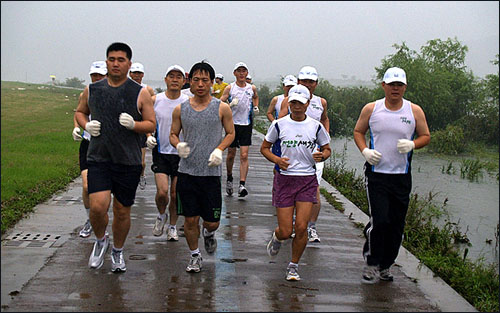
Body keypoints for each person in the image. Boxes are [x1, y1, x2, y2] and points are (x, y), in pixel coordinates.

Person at [75, 42, 156, 273]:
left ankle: (118, 251)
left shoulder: (139, 92)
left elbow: (151, 123)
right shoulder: (93, 89)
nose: (116, 63)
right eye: (112, 59)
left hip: (127, 160)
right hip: (99, 157)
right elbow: (80, 112)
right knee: (98, 207)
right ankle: (101, 241)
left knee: (122, 210)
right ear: (106, 61)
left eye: (121, 60)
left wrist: (135, 125)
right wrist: (86, 125)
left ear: (129, 64)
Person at [353, 67, 430, 284]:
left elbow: (426, 136)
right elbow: (358, 131)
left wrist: (413, 143)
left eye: (399, 85)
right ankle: (372, 263)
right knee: (380, 220)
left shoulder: (414, 111)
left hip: (401, 175)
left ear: (405, 87)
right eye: (391, 84)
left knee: (396, 224)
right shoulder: (372, 109)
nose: (395, 89)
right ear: (384, 86)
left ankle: (386, 265)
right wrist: (365, 151)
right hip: (377, 174)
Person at [261, 84, 331, 281]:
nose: (297, 106)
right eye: (293, 103)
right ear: (288, 103)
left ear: (308, 104)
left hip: (307, 179)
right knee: (286, 230)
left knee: (301, 227)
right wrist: (277, 160)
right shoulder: (279, 125)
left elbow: (327, 149)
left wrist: (322, 156)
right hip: (284, 180)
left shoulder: (315, 126)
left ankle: (293, 266)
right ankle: (277, 238)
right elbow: (264, 148)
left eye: (301, 103)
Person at [170, 61, 235, 273]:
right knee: (190, 220)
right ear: (190, 82)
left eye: (205, 80)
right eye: (196, 80)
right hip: (187, 172)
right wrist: (177, 144)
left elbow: (231, 133)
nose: (200, 84)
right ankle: (195, 255)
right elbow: (173, 133)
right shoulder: (181, 109)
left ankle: (208, 233)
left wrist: (219, 149)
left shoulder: (222, 108)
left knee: (211, 222)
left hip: (211, 174)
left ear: (211, 83)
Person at [279, 66, 329, 243]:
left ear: (316, 83)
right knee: (294, 192)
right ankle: (295, 224)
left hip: (314, 154)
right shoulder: (289, 101)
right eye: (304, 81)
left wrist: (323, 143)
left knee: (315, 191)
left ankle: (311, 227)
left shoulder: (321, 102)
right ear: (299, 82)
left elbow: (324, 119)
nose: (308, 85)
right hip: (293, 153)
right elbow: (280, 124)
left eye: (311, 82)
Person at [147, 64, 189, 241]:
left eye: (178, 77)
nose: (174, 79)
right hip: (161, 151)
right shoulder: (155, 100)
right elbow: (147, 120)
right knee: (162, 192)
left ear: (183, 81)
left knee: (175, 194)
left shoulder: (188, 102)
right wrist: (149, 135)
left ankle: (172, 226)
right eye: (171, 76)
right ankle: (161, 214)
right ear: (165, 79)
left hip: (181, 153)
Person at [72, 60, 107, 238]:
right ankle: (90, 220)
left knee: (104, 192)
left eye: (100, 75)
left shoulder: (114, 94)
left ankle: (100, 218)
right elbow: (79, 113)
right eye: (94, 75)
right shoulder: (85, 93)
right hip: (88, 144)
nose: (96, 78)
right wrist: (77, 127)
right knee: (86, 186)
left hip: (107, 147)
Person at [220, 62, 259, 197]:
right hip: (232, 124)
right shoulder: (230, 88)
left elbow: (255, 97)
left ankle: (242, 184)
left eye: (244, 71)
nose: (242, 74)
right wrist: (229, 104)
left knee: (244, 155)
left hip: (246, 124)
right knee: (231, 154)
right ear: (234, 73)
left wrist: (255, 107)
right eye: (239, 71)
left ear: (247, 73)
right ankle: (229, 177)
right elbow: (221, 101)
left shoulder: (251, 88)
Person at [129, 62, 155, 190]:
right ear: (130, 74)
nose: (136, 76)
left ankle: (142, 174)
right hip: (127, 126)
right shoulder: (125, 87)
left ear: (143, 75)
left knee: (142, 161)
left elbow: (151, 109)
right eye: (134, 73)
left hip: (142, 126)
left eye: (139, 73)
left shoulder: (147, 90)